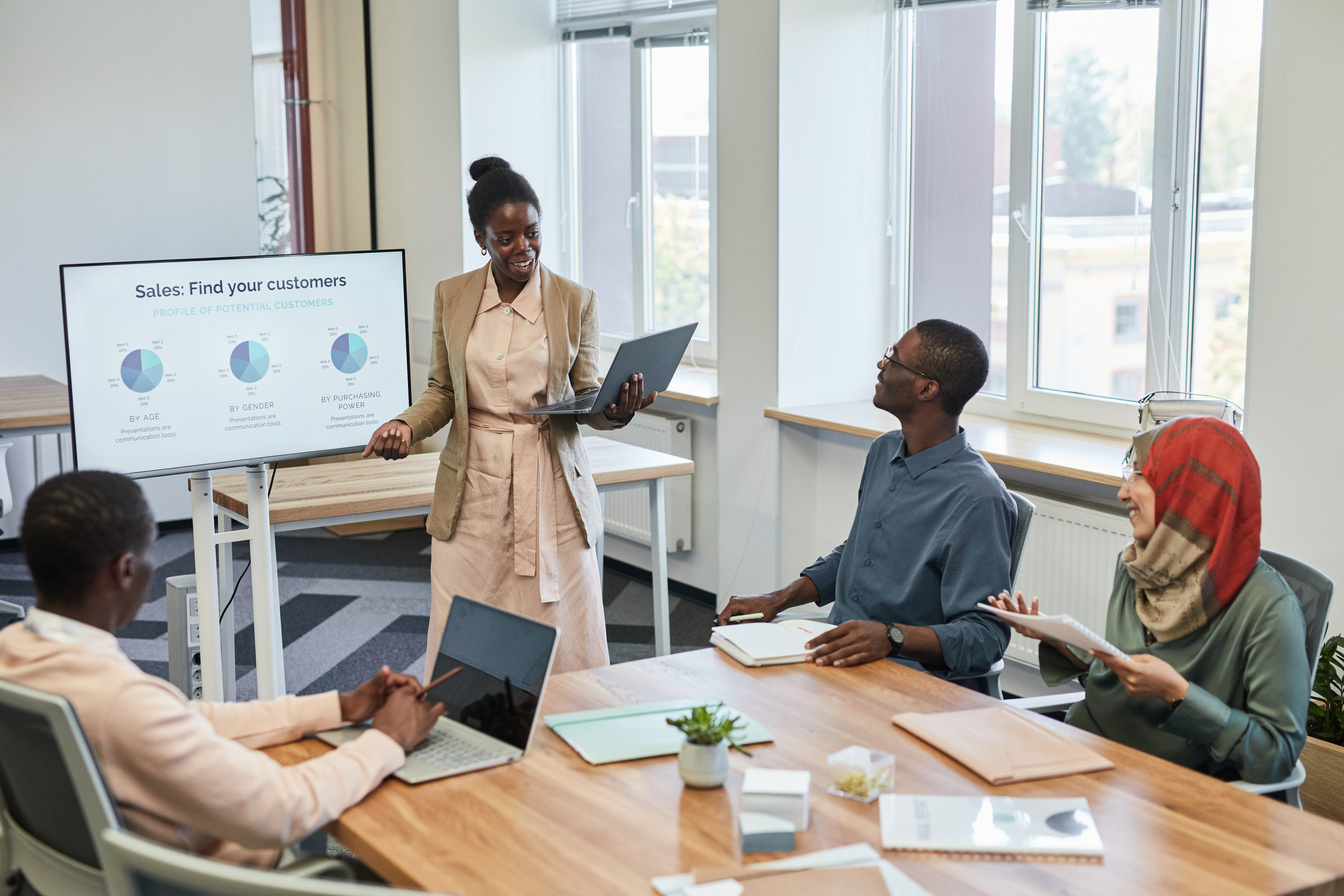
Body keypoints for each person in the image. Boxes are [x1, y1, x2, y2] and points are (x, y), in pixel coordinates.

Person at [0, 471, 446, 867]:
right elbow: (281, 809)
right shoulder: (120, 702)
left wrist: (340, 707)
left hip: (87, 866)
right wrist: (387, 739)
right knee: (406, 852)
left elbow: (184, 721)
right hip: (208, 876)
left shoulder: (14, 650)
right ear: (126, 570)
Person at [364, 156, 654, 676]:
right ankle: (469, 736)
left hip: (551, 484)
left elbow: (587, 396)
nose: (524, 248)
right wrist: (406, 425)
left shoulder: (574, 301)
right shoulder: (452, 296)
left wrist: (617, 410)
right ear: (481, 239)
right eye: (507, 238)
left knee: (563, 623)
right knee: (467, 620)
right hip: (472, 488)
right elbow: (441, 391)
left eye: (533, 233)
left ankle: (567, 734)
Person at [989, 416, 1308, 784]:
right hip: (1089, 753)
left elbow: (1277, 755)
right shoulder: (1136, 565)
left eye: (1141, 477)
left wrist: (1179, 694)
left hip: (1166, 787)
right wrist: (1056, 638)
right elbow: (1123, 682)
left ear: (1191, 492)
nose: (1123, 493)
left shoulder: (1270, 609)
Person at [717, 320, 1016, 691]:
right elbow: (858, 553)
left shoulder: (978, 499)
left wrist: (892, 637)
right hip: (840, 650)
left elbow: (985, 637)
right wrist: (778, 599)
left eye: (893, 357)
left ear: (927, 389)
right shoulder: (885, 450)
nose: (882, 364)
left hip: (911, 678)